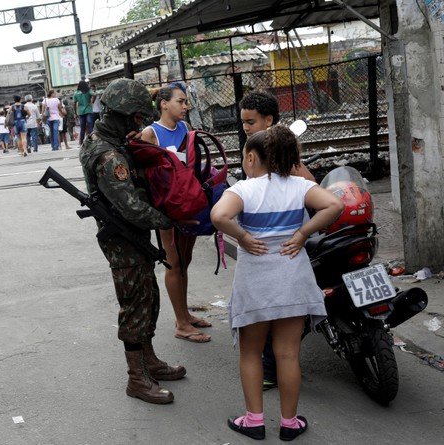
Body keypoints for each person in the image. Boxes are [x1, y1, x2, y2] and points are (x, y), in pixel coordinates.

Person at [210, 126, 342, 441]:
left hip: (255, 284)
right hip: (292, 281)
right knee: (287, 353)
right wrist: (301, 234)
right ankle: (289, 422)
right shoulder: (299, 186)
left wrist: (242, 235)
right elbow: (334, 206)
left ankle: (254, 420)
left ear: (252, 158)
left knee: (251, 352)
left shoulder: (242, 190)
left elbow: (218, 216)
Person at [79, 78, 187, 405]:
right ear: (124, 114)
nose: (139, 123)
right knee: (134, 305)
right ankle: (136, 378)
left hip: (132, 235)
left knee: (148, 297)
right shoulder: (107, 153)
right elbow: (131, 207)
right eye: (137, 116)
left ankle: (149, 360)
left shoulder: (111, 141)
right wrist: (171, 220)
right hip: (123, 238)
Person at [239, 91, 315, 390]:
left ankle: (270, 374)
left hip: (271, 254)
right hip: (281, 246)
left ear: (269, 120)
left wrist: (243, 236)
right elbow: (326, 199)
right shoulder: (269, 148)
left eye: (250, 121)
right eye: (243, 121)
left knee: (269, 324)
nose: (245, 127)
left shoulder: (276, 153)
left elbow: (220, 215)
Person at [139, 82, 211, 344]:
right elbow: (143, 175)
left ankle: (185, 314)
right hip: (167, 207)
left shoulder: (184, 128)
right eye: (180, 101)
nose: (185, 106)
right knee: (174, 262)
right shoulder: (151, 134)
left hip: (187, 203)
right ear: (164, 104)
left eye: (185, 102)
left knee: (185, 259)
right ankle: (181, 323)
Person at [73, 80, 94, 144]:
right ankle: (92, 140)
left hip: (80, 111)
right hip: (88, 110)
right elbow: (94, 94)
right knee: (90, 125)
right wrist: (92, 101)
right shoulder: (88, 91)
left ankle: (81, 142)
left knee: (82, 127)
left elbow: (74, 103)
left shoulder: (76, 93)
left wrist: (75, 112)